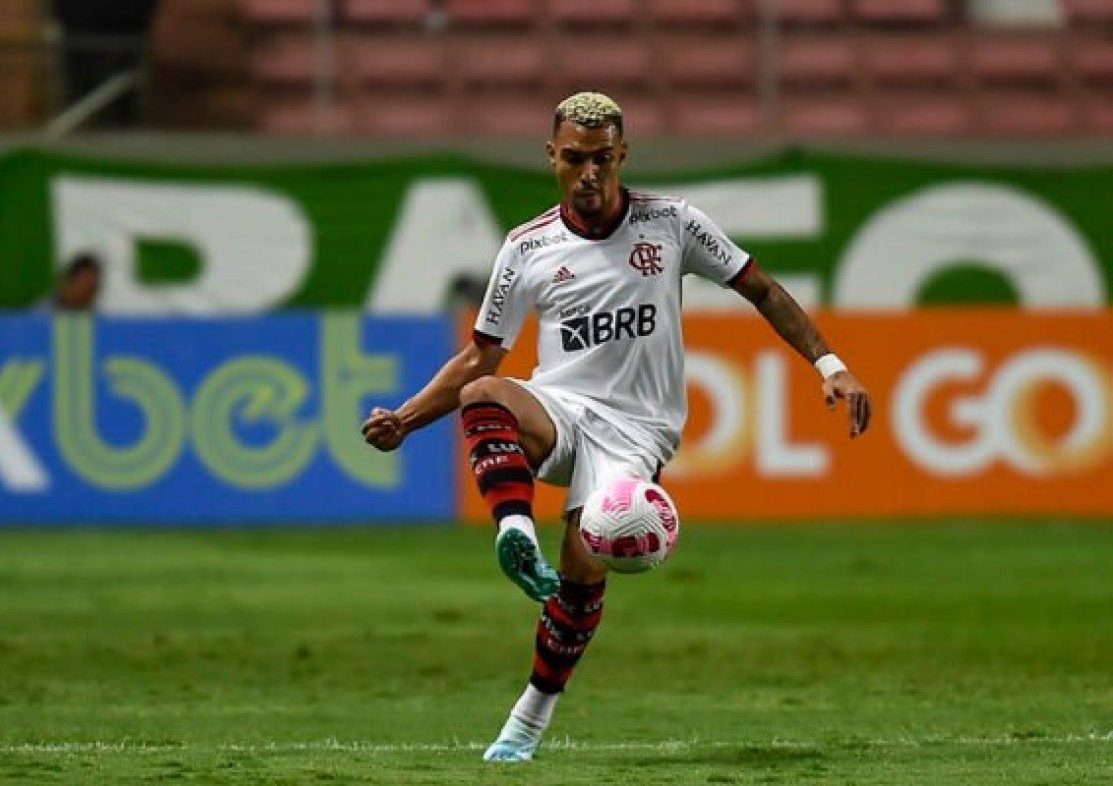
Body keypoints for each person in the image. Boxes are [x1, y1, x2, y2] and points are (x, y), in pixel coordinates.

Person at [361, 92, 871, 762]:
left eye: (602, 158)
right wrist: (405, 419)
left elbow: (763, 290)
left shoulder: (673, 223)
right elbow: (478, 357)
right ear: (552, 157)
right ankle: (515, 532)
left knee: (580, 581)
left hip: (636, 432)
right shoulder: (527, 247)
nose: (589, 173)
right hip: (561, 409)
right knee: (484, 393)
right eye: (575, 159)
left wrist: (830, 364)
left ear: (622, 154)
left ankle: (525, 725)